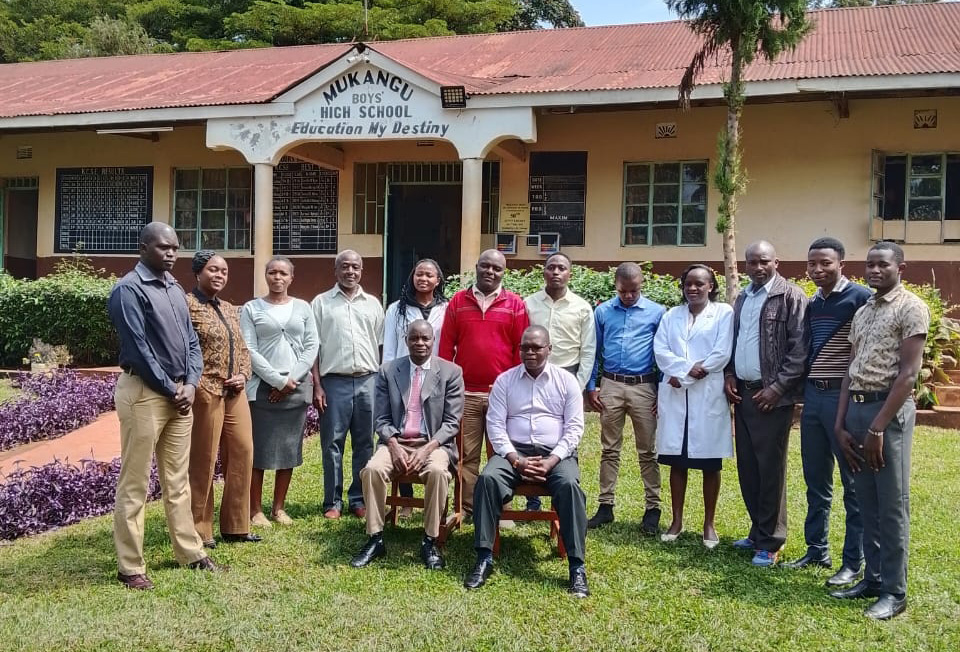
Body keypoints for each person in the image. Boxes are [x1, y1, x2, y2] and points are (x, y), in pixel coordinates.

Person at [107, 222, 222, 590]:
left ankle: (190, 551)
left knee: (177, 480)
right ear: (143, 249)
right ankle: (130, 566)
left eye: (175, 247)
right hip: (144, 394)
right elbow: (138, 348)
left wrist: (190, 384)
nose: (171, 253)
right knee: (135, 482)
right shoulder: (128, 290)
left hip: (178, 396)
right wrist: (171, 387)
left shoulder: (174, 288)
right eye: (163, 247)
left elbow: (191, 342)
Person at [830, 242, 928, 621]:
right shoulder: (864, 310)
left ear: (900, 268)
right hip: (855, 410)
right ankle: (871, 579)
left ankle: (894, 591)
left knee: (890, 506)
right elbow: (849, 370)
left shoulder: (911, 307)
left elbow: (907, 376)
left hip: (886, 413)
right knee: (865, 502)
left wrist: (876, 427)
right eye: (869, 264)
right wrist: (840, 424)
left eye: (882, 265)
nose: (874, 270)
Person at [464, 326, 589, 598]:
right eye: (525, 348)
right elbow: (495, 426)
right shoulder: (505, 381)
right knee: (487, 480)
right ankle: (483, 557)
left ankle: (577, 567)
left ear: (549, 349)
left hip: (556, 454)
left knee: (570, 485)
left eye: (536, 347)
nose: (530, 353)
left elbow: (575, 427)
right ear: (519, 349)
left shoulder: (566, 382)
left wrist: (552, 459)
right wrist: (516, 460)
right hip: (513, 453)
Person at [784, 238, 871, 585]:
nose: (817, 269)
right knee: (815, 480)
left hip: (844, 400)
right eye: (812, 264)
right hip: (813, 400)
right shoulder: (812, 302)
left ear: (841, 264)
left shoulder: (860, 298)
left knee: (853, 485)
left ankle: (853, 561)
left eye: (825, 263)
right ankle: (817, 548)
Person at [351, 320, 465, 570]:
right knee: (372, 470)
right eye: (415, 338)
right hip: (395, 441)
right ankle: (375, 538)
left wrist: (427, 449)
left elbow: (452, 422)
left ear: (433, 341)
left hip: (433, 444)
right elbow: (380, 418)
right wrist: (393, 444)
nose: (420, 343)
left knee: (437, 472)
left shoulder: (451, 372)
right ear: (406, 341)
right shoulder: (389, 370)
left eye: (425, 339)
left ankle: (429, 540)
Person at [723, 240, 808, 567]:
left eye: (764, 262)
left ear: (777, 262)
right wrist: (730, 374)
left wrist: (777, 388)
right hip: (743, 393)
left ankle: (771, 541)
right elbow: (737, 341)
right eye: (752, 262)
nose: (758, 267)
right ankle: (758, 531)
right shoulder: (744, 297)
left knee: (770, 468)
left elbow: (800, 350)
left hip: (771, 398)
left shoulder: (790, 297)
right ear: (745, 265)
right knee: (749, 467)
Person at [438, 249, 529, 515]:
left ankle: (502, 507)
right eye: (485, 266)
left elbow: (520, 351)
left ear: (504, 272)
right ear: (476, 267)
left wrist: (513, 389)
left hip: (502, 395)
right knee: (466, 454)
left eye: (497, 268)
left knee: (501, 453)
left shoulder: (515, 304)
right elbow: (446, 347)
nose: (490, 272)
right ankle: (467, 507)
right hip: (465, 393)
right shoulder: (458, 302)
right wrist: (449, 387)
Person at [654, 265, 734, 549]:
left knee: (710, 463)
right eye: (688, 283)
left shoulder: (723, 313)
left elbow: (722, 352)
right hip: (677, 396)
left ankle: (709, 523)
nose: (693, 288)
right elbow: (661, 351)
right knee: (677, 461)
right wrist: (687, 371)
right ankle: (676, 520)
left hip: (707, 394)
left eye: (700, 284)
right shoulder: (670, 316)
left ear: (711, 286)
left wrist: (686, 376)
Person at [186, 250, 260, 547]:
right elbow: (183, 351)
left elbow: (242, 348)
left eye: (224, 271)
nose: (219, 275)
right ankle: (199, 529)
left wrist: (243, 375)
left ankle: (236, 525)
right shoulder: (187, 305)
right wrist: (198, 383)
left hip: (235, 392)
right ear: (198, 272)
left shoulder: (230, 308)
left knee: (242, 451)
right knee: (203, 459)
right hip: (206, 391)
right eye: (213, 270)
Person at [586, 262, 665, 533]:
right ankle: (605, 505)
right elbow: (594, 351)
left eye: (633, 290)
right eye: (623, 291)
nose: (629, 296)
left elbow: (663, 354)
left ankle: (652, 509)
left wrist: (662, 390)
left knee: (648, 451)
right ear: (616, 286)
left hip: (644, 385)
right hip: (611, 384)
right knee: (609, 449)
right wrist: (591, 386)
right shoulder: (604, 311)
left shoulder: (657, 312)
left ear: (641, 284)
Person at [241, 256, 318, 527]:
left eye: (283, 273)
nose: (277, 277)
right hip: (262, 388)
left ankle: (278, 508)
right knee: (259, 450)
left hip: (295, 387)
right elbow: (249, 349)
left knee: (288, 448)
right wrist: (276, 380)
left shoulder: (303, 307)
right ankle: (255, 510)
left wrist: (290, 381)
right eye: (272, 272)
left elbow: (311, 347)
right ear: (266, 276)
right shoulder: (252, 308)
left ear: (291, 278)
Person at [311, 250, 384, 519]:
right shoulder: (320, 303)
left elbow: (379, 344)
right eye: (345, 266)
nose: (350, 271)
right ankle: (332, 502)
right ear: (336, 270)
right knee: (332, 443)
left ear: (361, 271)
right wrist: (317, 386)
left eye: (355, 266)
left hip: (368, 381)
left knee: (365, 443)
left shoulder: (373, 304)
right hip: (334, 382)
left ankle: (359, 499)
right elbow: (313, 349)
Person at [522, 252, 595, 513]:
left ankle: (561, 491)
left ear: (569, 274)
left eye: (561, 268)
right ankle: (532, 498)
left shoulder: (582, 307)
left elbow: (588, 350)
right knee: (533, 431)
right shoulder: (528, 304)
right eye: (551, 267)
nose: (556, 272)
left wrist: (578, 384)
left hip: (568, 375)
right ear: (543, 271)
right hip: (532, 374)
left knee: (566, 435)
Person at [382, 258, 449, 515]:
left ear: (438, 280)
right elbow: (389, 348)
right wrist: (387, 378)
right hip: (402, 377)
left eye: (429, 275)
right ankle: (406, 503)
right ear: (412, 277)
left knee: (429, 430)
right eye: (419, 274)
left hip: (435, 378)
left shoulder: (447, 307)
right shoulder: (396, 309)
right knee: (402, 430)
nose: (423, 279)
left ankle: (436, 498)